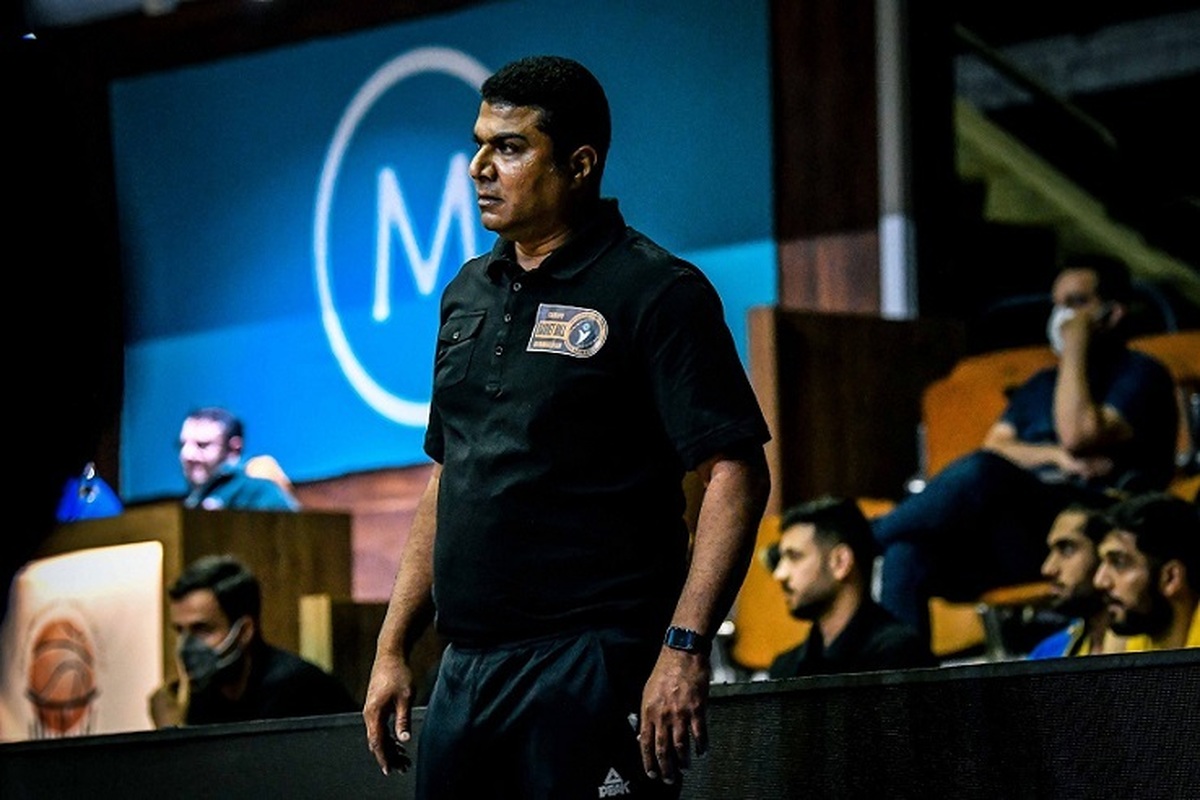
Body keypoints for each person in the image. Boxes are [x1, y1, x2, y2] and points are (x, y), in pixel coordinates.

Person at [361, 55, 771, 799]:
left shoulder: (656, 290)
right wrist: (393, 648)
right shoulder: (467, 292)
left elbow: (735, 472)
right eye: (479, 145)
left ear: (579, 165)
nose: (480, 168)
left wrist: (684, 647)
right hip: (466, 668)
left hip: (594, 659)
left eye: (510, 148)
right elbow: (449, 475)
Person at [872, 253, 1179, 640]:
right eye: (1057, 305)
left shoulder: (1140, 373)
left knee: (981, 471)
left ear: (1112, 313)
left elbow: (1077, 434)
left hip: (1091, 527)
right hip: (1020, 534)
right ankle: (899, 676)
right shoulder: (1039, 384)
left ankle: (862, 538)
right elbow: (998, 446)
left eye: (1076, 303)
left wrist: (1076, 345)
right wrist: (1057, 457)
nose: (1062, 316)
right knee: (906, 552)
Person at [148, 554, 357, 727]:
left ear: (244, 631)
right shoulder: (202, 697)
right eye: (180, 631)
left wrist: (172, 733)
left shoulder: (297, 689)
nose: (186, 646)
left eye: (202, 629)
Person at [766, 497, 936, 678]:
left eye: (794, 556)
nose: (779, 574)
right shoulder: (786, 668)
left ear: (841, 562)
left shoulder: (900, 654)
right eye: (780, 559)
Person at [1093, 491, 1200, 652]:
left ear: (1171, 577)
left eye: (1119, 563)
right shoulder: (1131, 642)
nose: (1099, 581)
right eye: (1102, 563)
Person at [1027, 500, 1126, 659]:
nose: (1047, 568)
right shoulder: (1048, 652)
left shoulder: (1152, 650)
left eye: (1067, 549)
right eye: (1051, 551)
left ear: (1105, 555)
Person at [179, 406, 300, 511]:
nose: (187, 455)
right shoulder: (198, 496)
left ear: (234, 449)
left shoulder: (258, 489)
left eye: (202, 445)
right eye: (182, 445)